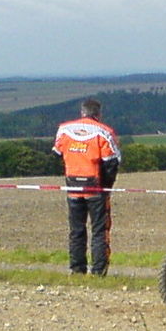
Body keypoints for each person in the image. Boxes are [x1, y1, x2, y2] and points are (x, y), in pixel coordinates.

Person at [52, 97, 121, 275]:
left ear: (82, 112)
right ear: (98, 114)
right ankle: (98, 271)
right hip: (95, 186)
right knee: (99, 231)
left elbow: (57, 154)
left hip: (72, 186)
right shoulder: (104, 132)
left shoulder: (64, 129)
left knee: (76, 230)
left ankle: (77, 269)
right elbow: (112, 162)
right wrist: (107, 186)